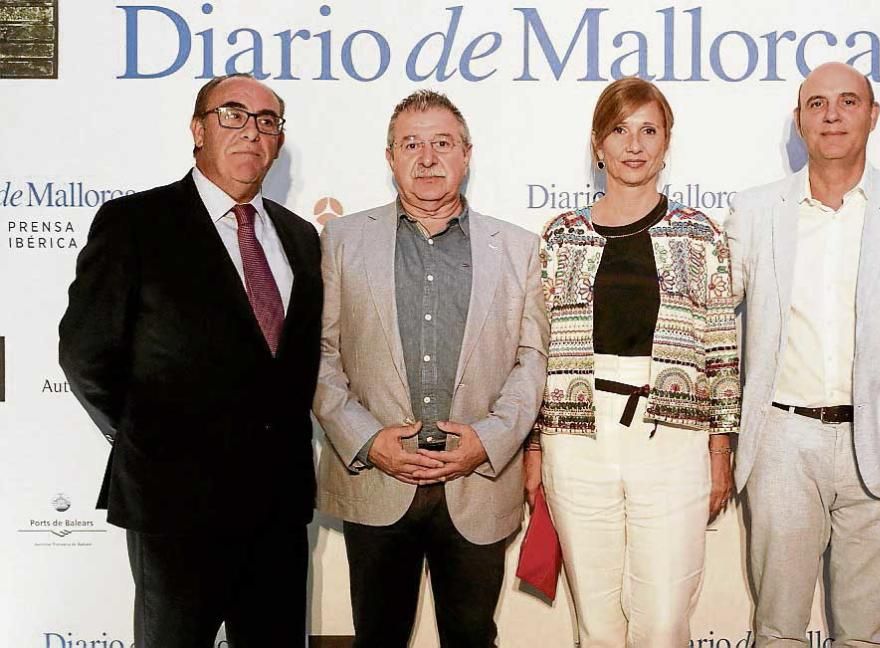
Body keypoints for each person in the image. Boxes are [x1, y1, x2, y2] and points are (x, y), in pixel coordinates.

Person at [58, 73, 322, 648]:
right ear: (197, 129)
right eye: (232, 114)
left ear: (278, 141)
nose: (251, 131)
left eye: (267, 121)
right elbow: (84, 354)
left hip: (277, 509)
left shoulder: (301, 238)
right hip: (173, 505)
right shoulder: (135, 223)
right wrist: (148, 438)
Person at [727, 62, 880, 646]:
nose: (832, 115)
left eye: (848, 102)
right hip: (782, 442)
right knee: (777, 629)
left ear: (872, 115)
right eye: (817, 104)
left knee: (863, 633)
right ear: (800, 121)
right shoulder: (755, 212)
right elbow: (711, 316)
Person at [311, 89, 548, 648]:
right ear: (389, 157)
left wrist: (488, 442)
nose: (427, 158)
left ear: (467, 154)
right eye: (410, 144)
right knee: (378, 638)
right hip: (375, 480)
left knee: (471, 639)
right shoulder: (341, 240)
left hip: (477, 485)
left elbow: (532, 359)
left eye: (442, 143)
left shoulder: (517, 248)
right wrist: (368, 441)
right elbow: (318, 353)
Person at [524, 77, 740, 647]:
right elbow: (538, 352)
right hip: (577, 439)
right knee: (596, 622)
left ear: (667, 142)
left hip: (673, 437)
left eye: (649, 130)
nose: (634, 144)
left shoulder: (699, 234)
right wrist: (535, 448)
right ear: (598, 144)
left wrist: (721, 449)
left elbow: (721, 350)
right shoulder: (560, 237)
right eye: (619, 130)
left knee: (664, 619)